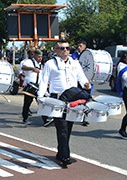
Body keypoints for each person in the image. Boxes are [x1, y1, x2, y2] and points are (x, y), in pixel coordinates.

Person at [37, 40, 91, 168]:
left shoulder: (75, 63)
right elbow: (44, 81)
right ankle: (65, 156)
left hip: (72, 98)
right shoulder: (50, 64)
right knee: (62, 128)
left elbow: (81, 77)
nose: (65, 50)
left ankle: (61, 152)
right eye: (62, 48)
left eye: (67, 48)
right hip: (58, 98)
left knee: (69, 127)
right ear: (55, 50)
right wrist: (40, 96)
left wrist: (85, 84)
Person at [21, 49, 43, 125]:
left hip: (38, 86)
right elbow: (23, 67)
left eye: (41, 57)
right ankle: (25, 118)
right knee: (27, 103)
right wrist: (32, 69)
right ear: (35, 56)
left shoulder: (40, 64)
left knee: (41, 102)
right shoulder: (29, 61)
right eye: (39, 57)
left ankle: (45, 119)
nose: (40, 58)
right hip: (30, 86)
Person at [72, 40, 90, 126]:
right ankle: (78, 116)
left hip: (87, 80)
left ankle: (84, 118)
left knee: (86, 100)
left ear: (85, 46)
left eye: (81, 46)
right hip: (78, 81)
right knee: (78, 99)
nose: (79, 47)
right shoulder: (75, 55)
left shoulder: (89, 55)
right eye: (78, 46)